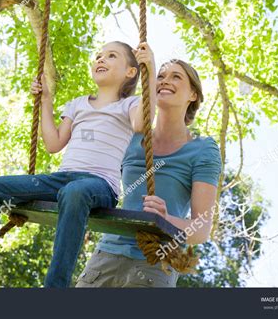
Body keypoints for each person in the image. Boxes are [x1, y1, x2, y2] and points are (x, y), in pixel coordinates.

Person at [0, 41, 157, 288]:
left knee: (74, 191)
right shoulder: (77, 104)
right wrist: (46, 100)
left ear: (130, 71)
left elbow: (143, 124)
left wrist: (150, 69)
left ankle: (55, 287)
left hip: (100, 185)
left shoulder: (129, 105)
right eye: (98, 56)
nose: (100, 59)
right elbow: (54, 143)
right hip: (62, 179)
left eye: (111, 56)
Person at [76, 57, 221, 288]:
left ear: (193, 94)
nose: (165, 81)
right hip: (105, 256)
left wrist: (165, 220)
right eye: (161, 76)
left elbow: (201, 230)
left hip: (155, 263)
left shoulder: (203, 150)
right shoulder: (131, 137)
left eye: (176, 76)